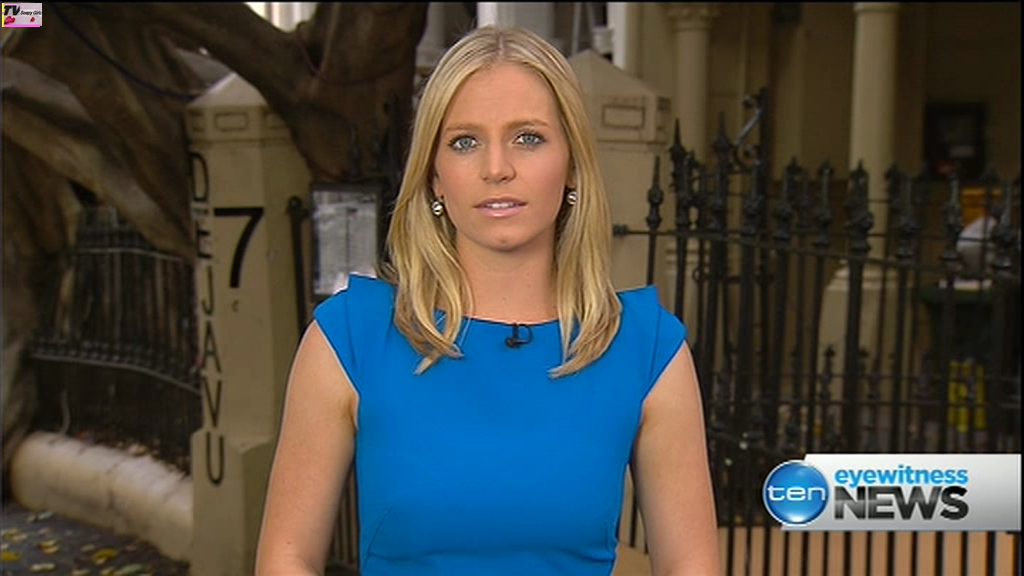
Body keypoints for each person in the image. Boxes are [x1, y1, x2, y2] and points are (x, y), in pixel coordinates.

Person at [255, 25, 720, 576]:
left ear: (572, 164)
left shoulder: (647, 348)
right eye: (465, 142)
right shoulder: (351, 338)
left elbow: (691, 564)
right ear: (434, 176)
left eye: (528, 137)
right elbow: (286, 559)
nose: (496, 168)